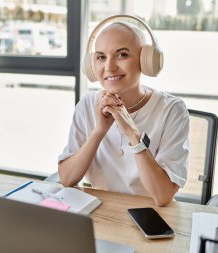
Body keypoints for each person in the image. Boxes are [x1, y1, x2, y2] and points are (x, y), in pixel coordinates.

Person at [58, 18, 189, 207]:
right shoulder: (87, 105)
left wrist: (132, 133)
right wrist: (98, 132)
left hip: (151, 214)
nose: (109, 67)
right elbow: (67, 178)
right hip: (101, 210)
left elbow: (162, 196)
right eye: (101, 57)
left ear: (146, 61)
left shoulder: (172, 110)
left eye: (122, 55)